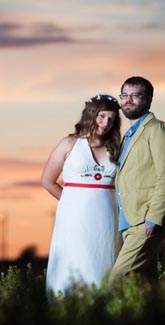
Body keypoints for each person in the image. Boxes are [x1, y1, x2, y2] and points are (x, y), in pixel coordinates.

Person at [41, 94, 122, 294]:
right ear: (91, 114)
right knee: (74, 262)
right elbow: (47, 181)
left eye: (112, 118)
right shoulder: (69, 144)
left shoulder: (116, 147)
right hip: (73, 218)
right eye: (102, 116)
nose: (106, 123)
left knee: (103, 262)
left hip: (107, 217)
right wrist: (72, 202)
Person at [109, 76, 165, 284]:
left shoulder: (158, 129)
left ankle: (100, 317)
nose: (128, 100)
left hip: (145, 219)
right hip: (129, 220)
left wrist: (153, 219)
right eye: (125, 95)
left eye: (135, 95)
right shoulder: (129, 134)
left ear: (148, 99)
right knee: (144, 286)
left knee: (117, 280)